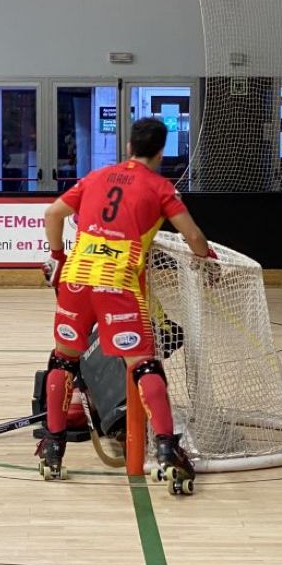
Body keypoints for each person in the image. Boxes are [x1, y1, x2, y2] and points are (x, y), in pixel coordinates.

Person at [38, 117, 211, 493]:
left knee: (63, 360)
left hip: (77, 280)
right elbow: (194, 236)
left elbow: (53, 214)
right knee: (143, 364)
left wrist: (57, 256)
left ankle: (52, 450)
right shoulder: (161, 187)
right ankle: (167, 450)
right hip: (118, 283)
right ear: (161, 152)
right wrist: (207, 260)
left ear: (129, 147)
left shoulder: (96, 176)